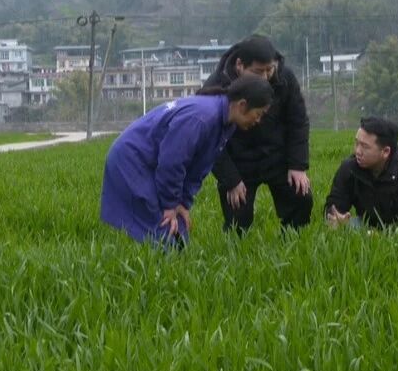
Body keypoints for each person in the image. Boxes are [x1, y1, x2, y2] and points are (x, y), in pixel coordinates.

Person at [100, 74, 272, 248]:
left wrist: (182, 203)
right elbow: (171, 163)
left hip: (152, 163)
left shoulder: (226, 123)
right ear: (242, 105)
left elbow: (199, 168)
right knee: (163, 237)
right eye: (258, 114)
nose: (258, 121)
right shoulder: (202, 118)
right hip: (132, 160)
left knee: (179, 236)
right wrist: (169, 205)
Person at [201, 35, 313, 234]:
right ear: (239, 66)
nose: (265, 77)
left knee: (300, 197)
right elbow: (209, 139)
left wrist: (298, 165)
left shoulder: (284, 78)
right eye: (258, 72)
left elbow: (298, 121)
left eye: (269, 70)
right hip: (239, 161)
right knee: (237, 222)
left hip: (277, 155)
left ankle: (293, 243)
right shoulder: (216, 86)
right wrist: (230, 179)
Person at [324, 116, 398, 230]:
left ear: (385, 151)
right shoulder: (349, 168)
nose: (357, 151)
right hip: (366, 224)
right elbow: (334, 205)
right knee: (346, 227)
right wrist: (336, 217)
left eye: (365, 147)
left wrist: (376, 234)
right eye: (357, 143)